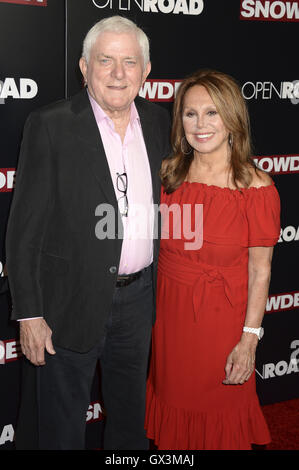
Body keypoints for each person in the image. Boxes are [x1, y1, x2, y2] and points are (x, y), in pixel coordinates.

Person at [6, 16, 170, 450]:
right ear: (84, 67)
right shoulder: (50, 124)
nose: (119, 73)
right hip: (66, 305)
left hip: (139, 303)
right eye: (106, 60)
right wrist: (29, 314)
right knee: (59, 431)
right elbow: (24, 229)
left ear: (146, 71)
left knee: (129, 426)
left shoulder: (160, 125)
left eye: (130, 62)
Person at [145, 69, 281, 450]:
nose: (200, 124)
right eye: (190, 113)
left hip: (223, 321)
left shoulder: (256, 187)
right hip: (170, 320)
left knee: (220, 417)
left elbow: (260, 271)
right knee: (173, 413)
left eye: (212, 113)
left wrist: (249, 340)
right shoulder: (169, 176)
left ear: (232, 118)